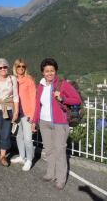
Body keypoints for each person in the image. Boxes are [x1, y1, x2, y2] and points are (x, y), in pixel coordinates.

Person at [31, 58, 81, 190]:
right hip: (44, 122)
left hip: (59, 123)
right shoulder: (41, 85)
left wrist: (63, 98)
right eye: (47, 71)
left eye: (52, 70)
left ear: (55, 71)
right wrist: (34, 121)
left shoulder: (62, 85)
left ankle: (61, 179)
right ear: (42, 72)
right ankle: (50, 173)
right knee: (49, 149)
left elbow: (77, 99)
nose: (49, 73)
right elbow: (38, 105)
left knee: (59, 151)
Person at [10, 58, 36, 171]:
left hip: (27, 113)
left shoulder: (29, 80)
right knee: (19, 136)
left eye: (23, 66)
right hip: (16, 113)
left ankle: (29, 160)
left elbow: (33, 99)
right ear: (15, 67)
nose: (21, 68)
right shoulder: (12, 80)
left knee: (28, 139)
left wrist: (32, 115)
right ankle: (22, 156)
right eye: (19, 66)